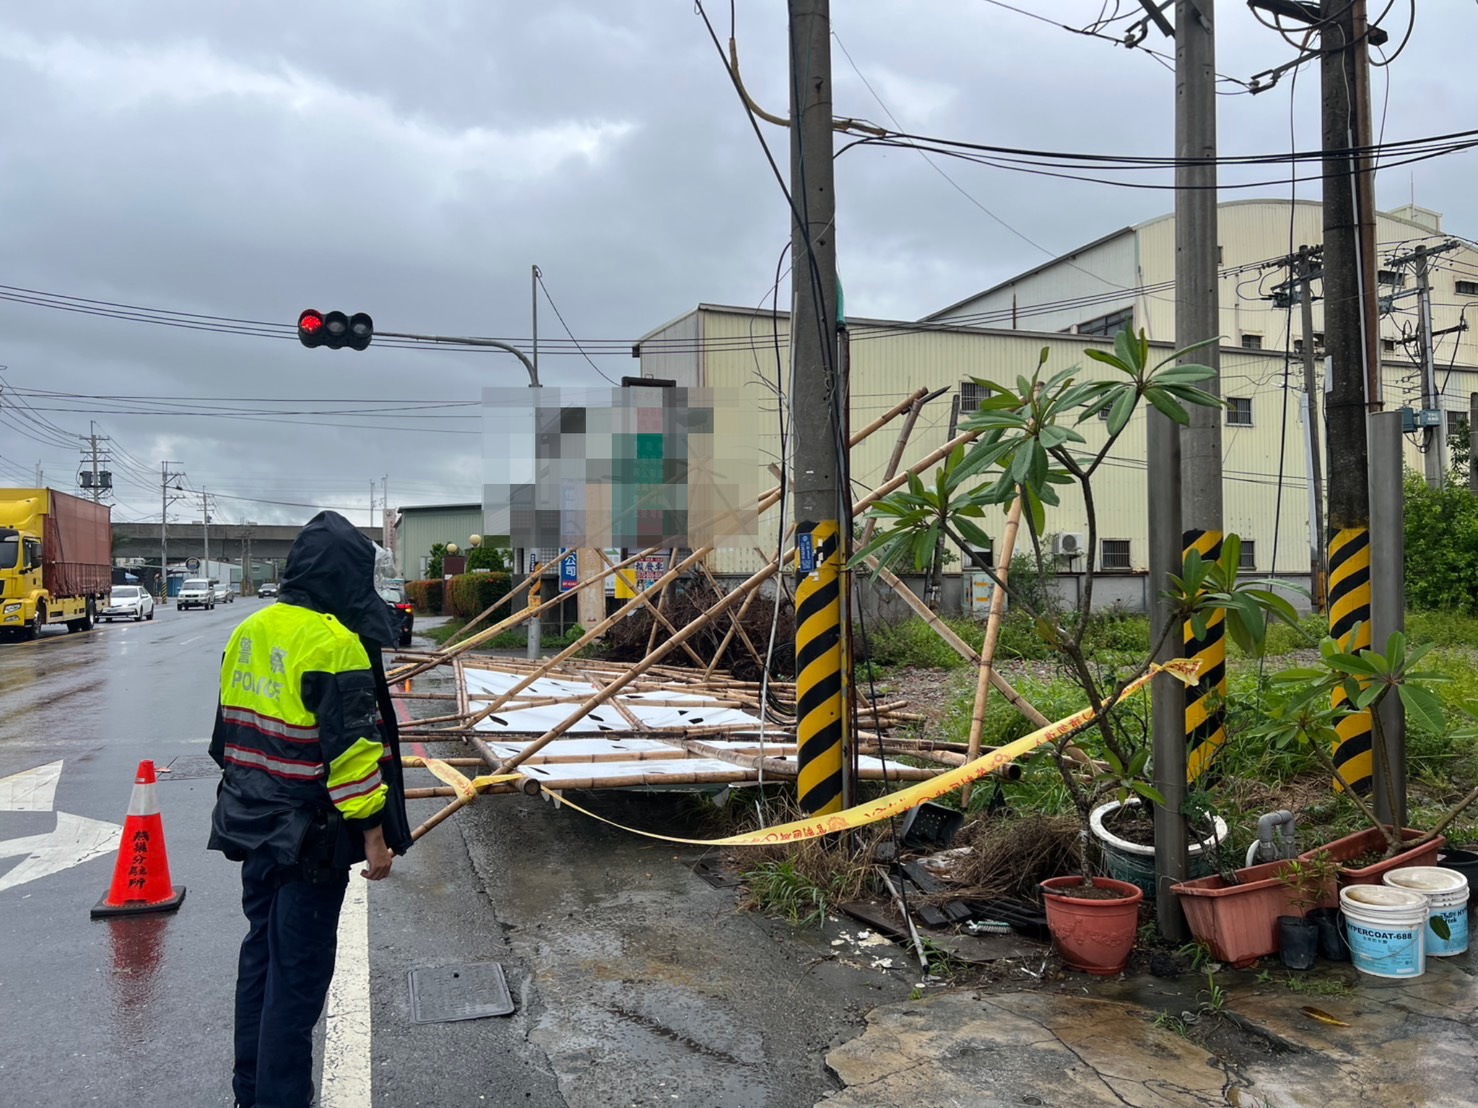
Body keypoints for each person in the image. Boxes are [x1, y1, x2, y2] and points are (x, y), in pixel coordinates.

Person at [209, 510, 413, 1108]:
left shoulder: (249, 631)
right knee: (295, 987)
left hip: (253, 830)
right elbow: (352, 760)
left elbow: (226, 741)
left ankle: (250, 1092)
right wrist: (375, 840)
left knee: (260, 963)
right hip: (310, 842)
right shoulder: (337, 645)